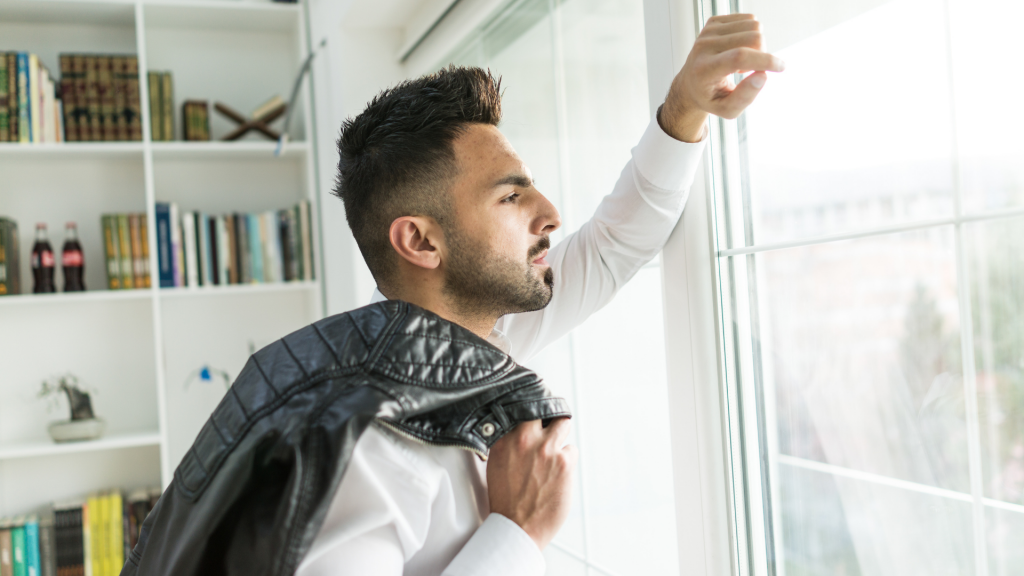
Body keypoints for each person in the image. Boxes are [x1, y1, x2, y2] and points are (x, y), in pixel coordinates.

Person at [295, 13, 784, 576]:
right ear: (421, 241)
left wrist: (685, 104)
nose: (550, 215)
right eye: (510, 197)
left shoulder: (486, 336)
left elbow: (612, 245)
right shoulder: (355, 450)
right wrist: (516, 533)